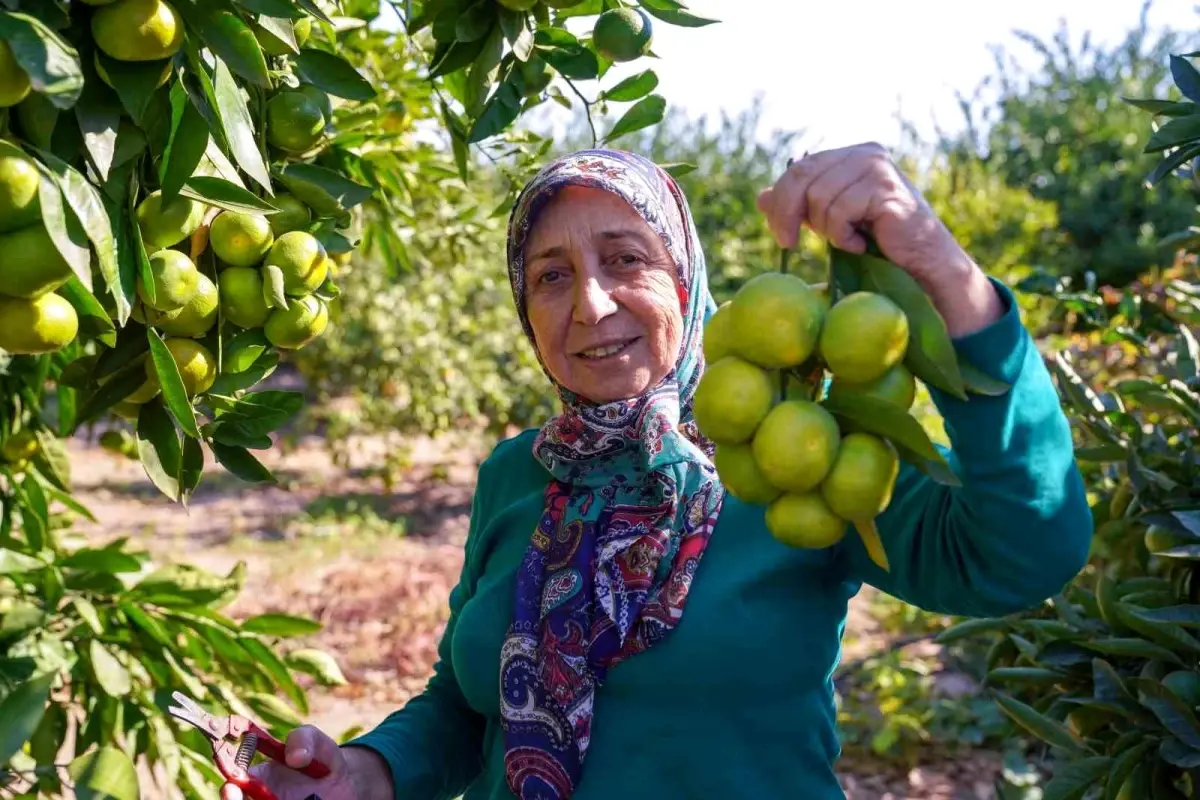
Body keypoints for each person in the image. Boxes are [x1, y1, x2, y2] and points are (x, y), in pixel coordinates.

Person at [220, 145, 1093, 800]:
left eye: (626, 258)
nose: (591, 304)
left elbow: (1019, 552)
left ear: (686, 280)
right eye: (551, 275)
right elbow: (465, 703)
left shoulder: (789, 454)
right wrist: (367, 771)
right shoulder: (519, 475)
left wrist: (945, 275)